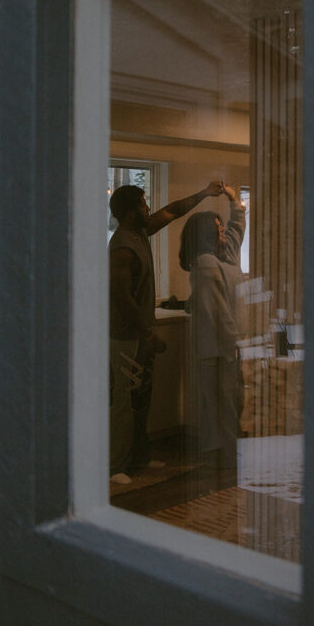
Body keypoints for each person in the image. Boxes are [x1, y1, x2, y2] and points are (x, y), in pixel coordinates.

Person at [109, 178, 224, 481]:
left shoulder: (140, 232)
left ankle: (138, 458)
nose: (149, 207)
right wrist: (147, 334)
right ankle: (115, 467)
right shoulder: (122, 246)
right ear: (132, 211)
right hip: (126, 338)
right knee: (125, 401)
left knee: (141, 398)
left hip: (140, 336)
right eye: (144, 203)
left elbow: (173, 211)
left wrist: (204, 192)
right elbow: (121, 297)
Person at [179, 182, 247, 477]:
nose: (223, 232)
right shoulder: (206, 264)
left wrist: (235, 200)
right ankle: (227, 460)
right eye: (217, 229)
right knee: (222, 406)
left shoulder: (225, 257)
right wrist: (232, 345)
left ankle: (224, 456)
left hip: (229, 345)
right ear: (205, 235)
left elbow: (237, 228)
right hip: (218, 348)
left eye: (221, 227)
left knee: (230, 402)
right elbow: (216, 312)